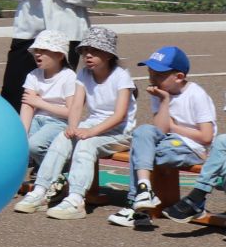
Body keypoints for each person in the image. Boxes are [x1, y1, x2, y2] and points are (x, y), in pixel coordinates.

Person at [17, 26, 132, 220]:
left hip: (119, 132)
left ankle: (76, 199)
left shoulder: (121, 76)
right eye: (85, 50)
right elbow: (77, 106)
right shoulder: (84, 74)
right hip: (93, 126)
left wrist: (91, 131)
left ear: (109, 55)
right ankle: (40, 191)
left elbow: (119, 115)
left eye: (94, 51)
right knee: (63, 138)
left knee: (86, 144)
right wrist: (72, 127)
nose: (88, 55)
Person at [123, 45, 215, 228]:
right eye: (150, 74)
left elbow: (206, 137)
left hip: (191, 147)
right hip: (169, 142)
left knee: (144, 151)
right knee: (142, 133)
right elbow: (160, 129)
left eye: (158, 75)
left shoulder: (196, 95)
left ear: (179, 77)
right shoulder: (160, 93)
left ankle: (137, 205)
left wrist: (174, 127)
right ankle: (143, 193)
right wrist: (164, 100)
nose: (152, 80)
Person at [13, 29, 76, 183]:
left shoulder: (69, 77)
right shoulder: (33, 75)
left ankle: (58, 171)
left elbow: (70, 112)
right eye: (36, 50)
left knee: (34, 146)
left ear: (60, 55)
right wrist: (22, 133)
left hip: (59, 122)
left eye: (43, 51)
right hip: (37, 119)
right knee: (17, 145)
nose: (37, 54)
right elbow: (27, 106)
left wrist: (40, 103)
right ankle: (14, 179)